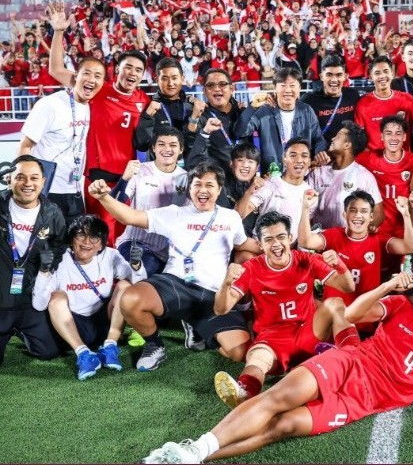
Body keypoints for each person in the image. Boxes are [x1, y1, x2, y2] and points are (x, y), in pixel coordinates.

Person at [142, 264, 413, 464]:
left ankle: (188, 458)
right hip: (351, 362)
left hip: (363, 401)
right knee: (277, 398)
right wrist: (387, 286)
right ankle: (197, 448)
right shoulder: (400, 305)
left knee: (281, 427)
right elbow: (353, 314)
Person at [87, 161, 261, 371]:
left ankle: (198, 325)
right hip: (177, 284)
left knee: (239, 352)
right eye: (197, 184)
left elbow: (243, 243)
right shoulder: (175, 213)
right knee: (130, 299)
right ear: (189, 189)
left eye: (209, 185)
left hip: (214, 295)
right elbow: (129, 216)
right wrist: (103, 197)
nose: (203, 190)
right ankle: (155, 344)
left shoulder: (230, 217)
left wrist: (274, 246)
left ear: (219, 189)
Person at [211, 211, 355, 408]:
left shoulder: (306, 259)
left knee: (335, 304)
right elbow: (221, 309)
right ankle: (244, 393)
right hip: (272, 339)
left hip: (307, 332)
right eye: (269, 239)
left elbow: (348, 287)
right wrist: (226, 283)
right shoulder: (252, 268)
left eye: (280, 237)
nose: (276, 244)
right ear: (260, 244)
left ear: (290, 238)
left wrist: (340, 264)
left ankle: (353, 358)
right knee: (257, 357)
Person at [47, 2, 151, 246]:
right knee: (97, 236)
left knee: (121, 238)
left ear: (143, 75)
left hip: (126, 181)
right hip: (95, 178)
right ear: (117, 70)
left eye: (138, 70)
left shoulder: (144, 101)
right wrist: (59, 32)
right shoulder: (97, 88)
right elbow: (56, 70)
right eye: (127, 68)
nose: (132, 73)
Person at [31, 215, 141, 379]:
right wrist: (44, 270)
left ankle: (110, 346)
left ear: (102, 244)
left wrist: (136, 266)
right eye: (81, 235)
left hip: (104, 324)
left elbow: (138, 287)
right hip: (73, 326)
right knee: (56, 297)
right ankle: (83, 353)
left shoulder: (111, 255)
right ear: (72, 239)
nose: (86, 242)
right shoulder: (60, 259)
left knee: (125, 286)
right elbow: (39, 304)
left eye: (94, 237)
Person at [16, 57, 106, 227]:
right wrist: (29, 189)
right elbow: (25, 146)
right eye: (86, 73)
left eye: (97, 76)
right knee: (44, 242)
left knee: (73, 241)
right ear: (75, 76)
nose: (91, 79)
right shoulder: (50, 104)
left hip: (75, 191)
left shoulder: (93, 106)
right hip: (47, 191)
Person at [0, 155, 65, 366]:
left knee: (48, 351)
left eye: (34, 178)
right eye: (20, 177)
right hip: (1, 296)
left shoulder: (52, 212)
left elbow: (60, 245)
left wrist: (49, 265)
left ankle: (18, 329)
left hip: (29, 297)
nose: (28, 183)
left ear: (43, 182)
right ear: (9, 179)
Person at [298, 190, 413, 303]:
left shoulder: (378, 238)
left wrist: (406, 214)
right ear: (345, 214)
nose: (358, 215)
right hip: (336, 311)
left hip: (367, 311)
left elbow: (409, 247)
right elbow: (305, 242)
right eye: (353, 210)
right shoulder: (333, 235)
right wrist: (305, 208)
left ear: (371, 217)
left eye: (364, 211)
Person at [110, 126, 188, 276]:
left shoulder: (187, 179)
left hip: (168, 251)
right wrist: (124, 179)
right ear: (153, 148)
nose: (167, 149)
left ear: (181, 150)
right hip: (134, 243)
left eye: (173, 145)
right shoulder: (139, 170)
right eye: (161, 144)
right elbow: (115, 203)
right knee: (142, 275)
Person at [235, 67, 326, 175]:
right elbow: (240, 132)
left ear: (299, 88)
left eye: (292, 85)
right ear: (275, 87)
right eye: (283, 85)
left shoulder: (306, 110)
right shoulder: (264, 111)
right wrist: (253, 107)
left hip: (301, 174)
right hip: (272, 175)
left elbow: (318, 138)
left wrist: (319, 152)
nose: (287, 90)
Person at [308, 121, 383, 230]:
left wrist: (362, 230)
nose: (332, 139)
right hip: (318, 237)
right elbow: (304, 207)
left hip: (346, 239)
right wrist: (310, 164)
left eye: (338, 136)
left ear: (347, 145)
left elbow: (379, 214)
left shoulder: (364, 176)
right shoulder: (318, 172)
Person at [356, 116, 413, 237]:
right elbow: (346, 163)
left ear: (404, 137)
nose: (393, 138)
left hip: (404, 230)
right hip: (376, 229)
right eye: (388, 133)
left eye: (398, 134)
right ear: (382, 136)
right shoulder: (368, 158)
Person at [238, 138, 312, 240]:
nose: (299, 160)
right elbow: (239, 215)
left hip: (291, 248)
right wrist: (249, 192)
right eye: (293, 155)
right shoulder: (269, 184)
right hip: (261, 246)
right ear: (284, 159)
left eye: (304, 156)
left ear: (309, 161)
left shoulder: (309, 193)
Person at [134, 57, 206, 158]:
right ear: (156, 79)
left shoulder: (193, 107)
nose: (170, 83)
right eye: (164, 78)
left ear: (182, 78)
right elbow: (142, 145)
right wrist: (147, 117)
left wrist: (193, 120)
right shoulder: (148, 107)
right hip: (158, 166)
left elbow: (199, 145)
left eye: (174, 78)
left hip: (188, 165)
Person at [354, 55, 413, 152]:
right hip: (375, 159)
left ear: (392, 74)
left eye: (386, 71)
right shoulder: (363, 104)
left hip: (402, 158)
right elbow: (357, 139)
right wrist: (372, 158)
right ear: (371, 77)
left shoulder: (406, 99)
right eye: (377, 73)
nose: (382, 76)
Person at [183, 69, 244, 174]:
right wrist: (194, 116)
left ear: (232, 88)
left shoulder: (243, 113)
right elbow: (191, 151)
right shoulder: (200, 116)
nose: (216, 89)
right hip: (217, 180)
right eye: (210, 85)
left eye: (222, 84)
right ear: (204, 91)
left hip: (244, 179)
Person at [300, 55, 361, 146]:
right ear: (321, 76)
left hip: (346, 151)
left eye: (339, 75)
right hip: (319, 152)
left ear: (345, 76)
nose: (334, 80)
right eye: (329, 75)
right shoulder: (308, 100)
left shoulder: (352, 95)